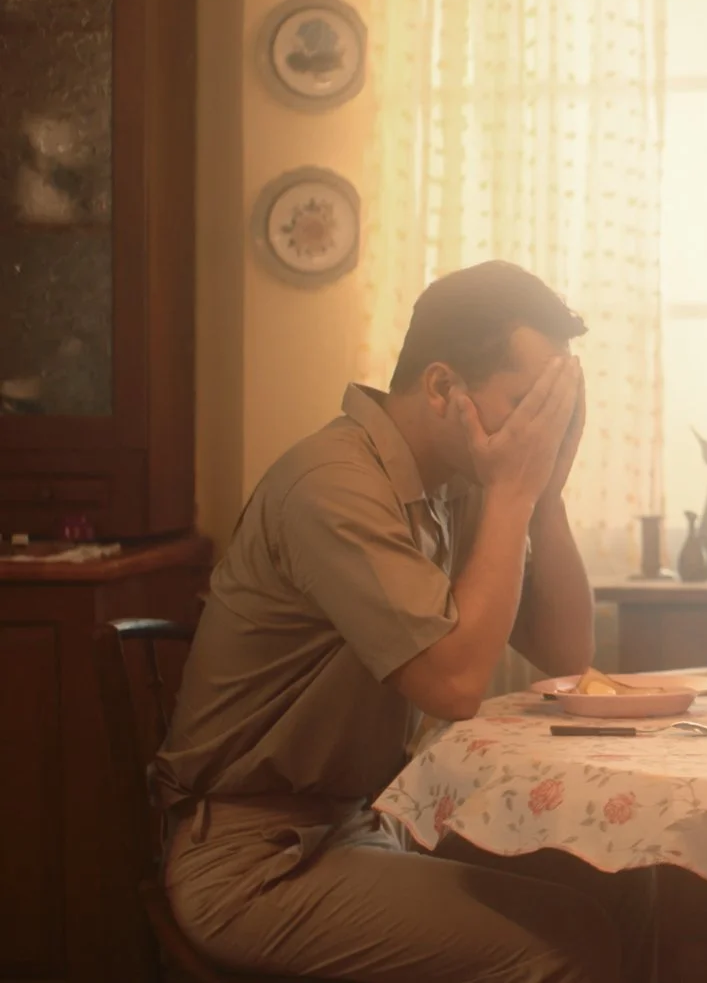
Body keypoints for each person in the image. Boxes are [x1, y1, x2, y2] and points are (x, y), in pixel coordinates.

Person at [154, 261, 654, 982]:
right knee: (566, 948)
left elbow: (566, 651)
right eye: (526, 404)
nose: (539, 431)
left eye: (554, 411)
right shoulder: (334, 485)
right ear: (443, 387)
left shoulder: (457, 483)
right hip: (255, 862)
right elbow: (453, 686)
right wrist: (515, 492)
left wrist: (545, 494)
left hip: (363, 824)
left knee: (626, 879)